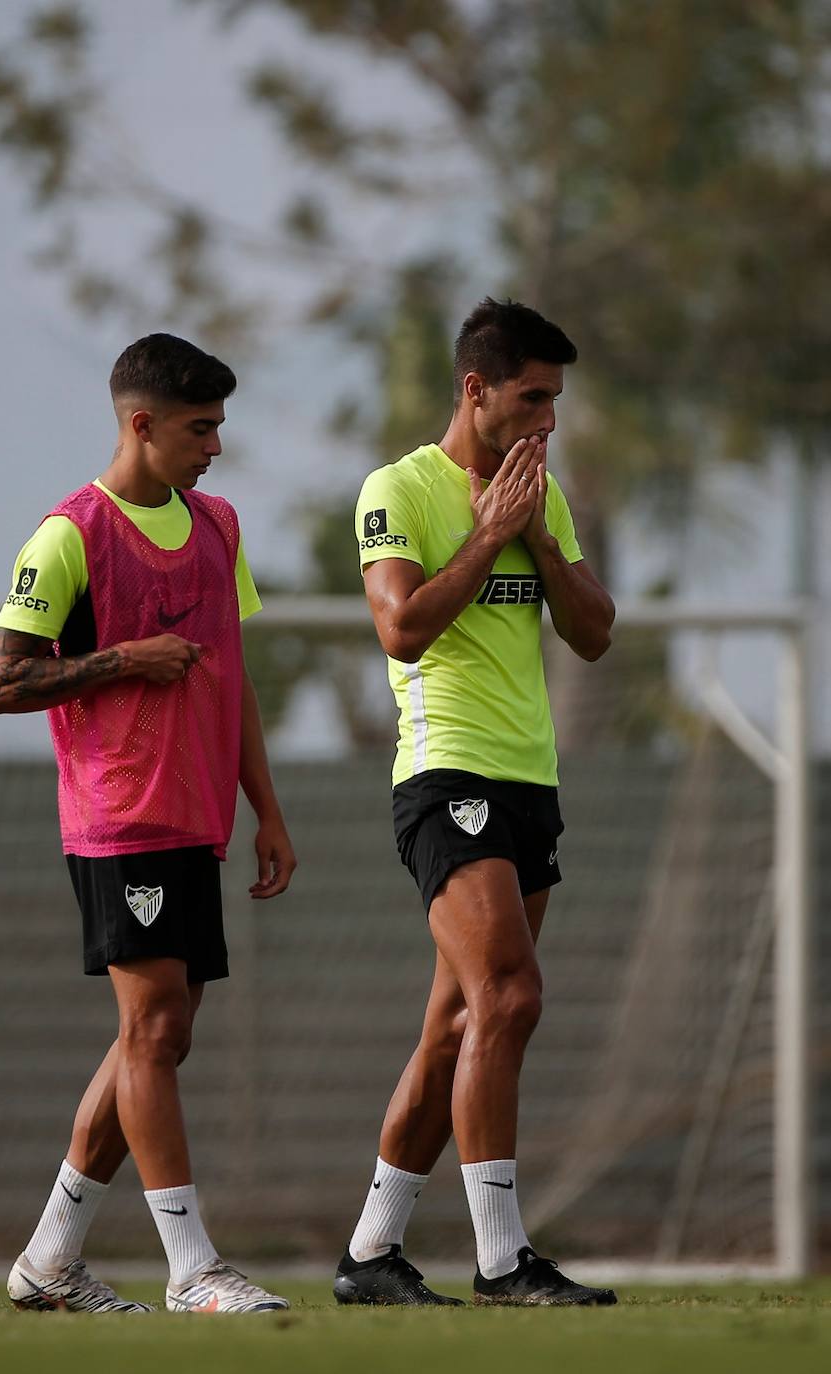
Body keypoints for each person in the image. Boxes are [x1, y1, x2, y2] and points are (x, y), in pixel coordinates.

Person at [0, 333, 296, 1315]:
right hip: (118, 820)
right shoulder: (68, 534)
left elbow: (229, 677)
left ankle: (50, 1259)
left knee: (154, 1041)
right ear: (140, 423)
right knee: (154, 1031)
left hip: (195, 819)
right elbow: (1, 682)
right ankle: (193, 1268)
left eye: (219, 426)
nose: (214, 446)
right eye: (200, 428)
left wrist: (266, 811)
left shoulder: (220, 527)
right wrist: (123, 659)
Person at [335, 298, 617, 1308]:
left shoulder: (542, 493)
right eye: (532, 398)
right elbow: (401, 628)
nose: (547, 420)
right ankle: (502, 1262)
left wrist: (536, 540)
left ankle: (371, 1253)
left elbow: (592, 634)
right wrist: (484, 533)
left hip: (529, 782)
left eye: (555, 401)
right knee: (511, 994)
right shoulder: (398, 488)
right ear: (475, 389)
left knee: (458, 1027)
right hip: (445, 777)